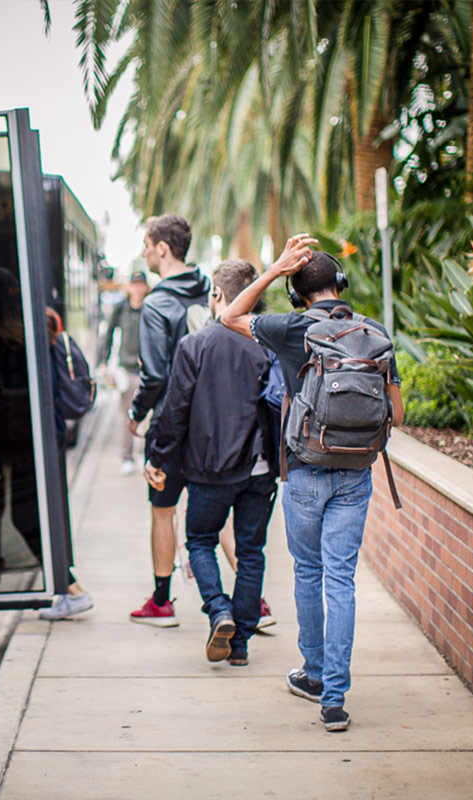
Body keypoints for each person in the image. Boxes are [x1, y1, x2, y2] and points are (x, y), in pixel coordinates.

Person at [222, 237, 405, 733]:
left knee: (308, 571)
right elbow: (399, 414)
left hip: (303, 468)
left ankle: (315, 675)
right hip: (355, 473)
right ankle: (336, 700)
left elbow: (229, 316)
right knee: (341, 578)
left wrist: (274, 269)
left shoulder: (291, 326)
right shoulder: (373, 331)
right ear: (339, 285)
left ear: (295, 293)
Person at [144, 260, 276, 665]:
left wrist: (159, 457)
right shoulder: (269, 345)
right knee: (251, 552)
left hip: (209, 467)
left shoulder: (195, 345)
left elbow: (175, 410)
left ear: (218, 294)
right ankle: (240, 647)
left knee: (200, 540)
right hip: (259, 468)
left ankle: (218, 610)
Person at [126, 215, 210, 626]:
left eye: (147, 243)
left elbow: (155, 375)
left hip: (172, 424)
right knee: (218, 509)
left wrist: (136, 412)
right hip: (216, 420)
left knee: (163, 509)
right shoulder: (212, 291)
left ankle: (162, 602)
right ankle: (256, 601)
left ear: (163, 248)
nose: (144, 252)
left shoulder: (157, 303)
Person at [39, 307, 95, 620]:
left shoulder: (42, 351)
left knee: (40, 518)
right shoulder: (55, 343)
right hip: (56, 438)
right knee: (53, 514)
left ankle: (71, 589)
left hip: (48, 439)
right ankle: (66, 589)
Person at [98, 271, 151, 474]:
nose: (137, 288)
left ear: (146, 287)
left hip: (147, 371)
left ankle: (142, 454)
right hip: (126, 370)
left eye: (141, 284)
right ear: (129, 287)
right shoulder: (121, 309)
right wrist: (103, 361)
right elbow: (108, 334)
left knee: (146, 417)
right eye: (134, 284)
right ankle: (126, 456)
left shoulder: (151, 308)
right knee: (127, 416)